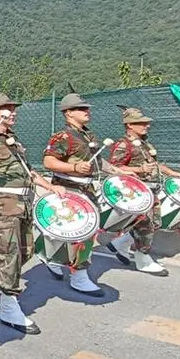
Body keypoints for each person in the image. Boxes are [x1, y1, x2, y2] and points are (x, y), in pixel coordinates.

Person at [0, 93, 65, 334]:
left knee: (25, 252)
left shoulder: (12, 139)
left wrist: (50, 187)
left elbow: (28, 172)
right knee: (9, 254)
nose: (12, 112)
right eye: (6, 108)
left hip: (23, 204)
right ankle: (9, 306)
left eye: (13, 108)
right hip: (2, 205)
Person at [42, 92, 125, 297]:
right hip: (70, 189)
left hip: (88, 190)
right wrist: (74, 166)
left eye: (86, 108)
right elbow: (49, 162)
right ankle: (79, 277)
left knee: (79, 232)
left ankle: (50, 256)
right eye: (81, 109)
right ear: (68, 113)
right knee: (83, 234)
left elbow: (97, 162)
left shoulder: (88, 136)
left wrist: (118, 171)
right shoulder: (63, 137)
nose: (87, 111)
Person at [107, 107, 180, 276]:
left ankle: (119, 244)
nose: (146, 125)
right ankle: (143, 259)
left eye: (146, 123)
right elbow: (115, 167)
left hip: (150, 190)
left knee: (153, 223)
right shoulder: (123, 145)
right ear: (129, 125)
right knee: (146, 225)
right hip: (136, 193)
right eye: (140, 123)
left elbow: (155, 165)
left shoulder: (145, 144)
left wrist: (171, 172)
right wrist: (139, 169)